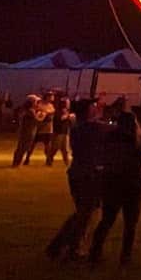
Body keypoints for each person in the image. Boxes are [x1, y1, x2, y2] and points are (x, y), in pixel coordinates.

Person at [88, 100, 141, 266]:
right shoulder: (139, 141)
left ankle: (95, 251)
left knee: (107, 220)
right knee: (130, 223)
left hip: (112, 182)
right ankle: (125, 256)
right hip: (133, 184)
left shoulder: (110, 138)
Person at [46, 98, 105, 260]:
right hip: (87, 174)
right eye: (93, 107)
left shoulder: (80, 127)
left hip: (79, 173)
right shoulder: (91, 128)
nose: (97, 108)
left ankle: (64, 246)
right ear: (87, 111)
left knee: (84, 212)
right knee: (85, 213)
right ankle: (66, 247)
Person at [10, 93, 42, 167]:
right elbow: (37, 120)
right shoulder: (30, 111)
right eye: (36, 101)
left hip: (29, 131)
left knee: (24, 147)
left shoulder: (29, 110)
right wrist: (41, 115)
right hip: (27, 131)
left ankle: (17, 162)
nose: (37, 103)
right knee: (22, 147)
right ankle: (16, 162)